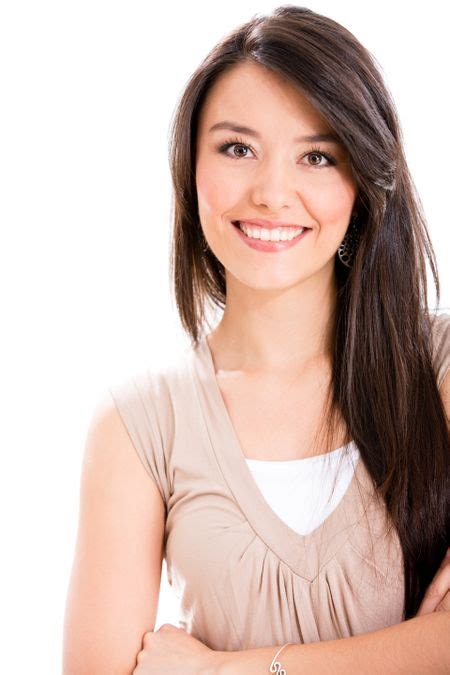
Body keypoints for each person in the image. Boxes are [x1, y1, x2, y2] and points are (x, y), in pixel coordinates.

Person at [63, 6, 450, 674]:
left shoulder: (436, 364)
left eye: (317, 156)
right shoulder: (140, 423)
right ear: (190, 168)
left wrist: (225, 669)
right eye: (238, 148)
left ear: (362, 182)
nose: (273, 193)